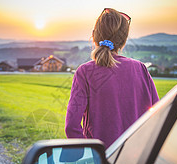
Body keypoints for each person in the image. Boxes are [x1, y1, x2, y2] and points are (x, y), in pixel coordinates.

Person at [65, 8, 159, 149]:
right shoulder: (141, 69)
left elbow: (72, 126)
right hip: (137, 160)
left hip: (104, 159)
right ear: (124, 40)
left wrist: (91, 154)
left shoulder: (84, 72)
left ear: (94, 36)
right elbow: (157, 118)